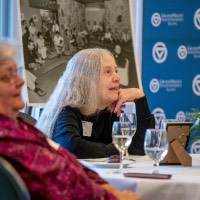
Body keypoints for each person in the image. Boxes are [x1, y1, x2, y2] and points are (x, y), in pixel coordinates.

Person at [0, 42, 140, 200]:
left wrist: (140, 99)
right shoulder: (9, 137)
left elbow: (69, 166)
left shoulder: (19, 125)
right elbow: (58, 178)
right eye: (7, 77)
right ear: (89, 80)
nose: (21, 81)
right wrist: (110, 195)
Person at [36, 48, 155, 159]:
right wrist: (117, 149)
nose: (118, 77)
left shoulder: (110, 111)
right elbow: (71, 146)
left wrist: (140, 98)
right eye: (108, 72)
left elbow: (140, 148)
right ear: (87, 79)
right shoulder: (67, 109)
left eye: (116, 71)